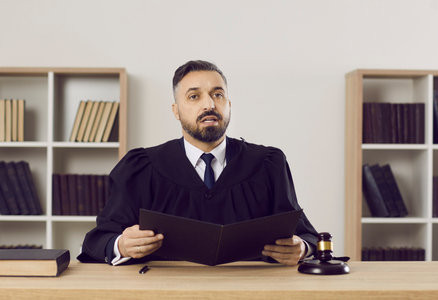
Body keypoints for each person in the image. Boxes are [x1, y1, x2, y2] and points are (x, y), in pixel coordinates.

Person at [77, 60, 318, 266]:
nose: (209, 105)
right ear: (176, 111)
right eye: (194, 96)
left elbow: (306, 236)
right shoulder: (141, 167)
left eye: (218, 94)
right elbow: (98, 240)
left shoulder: (268, 164)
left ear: (229, 105)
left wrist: (302, 248)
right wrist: (122, 245)